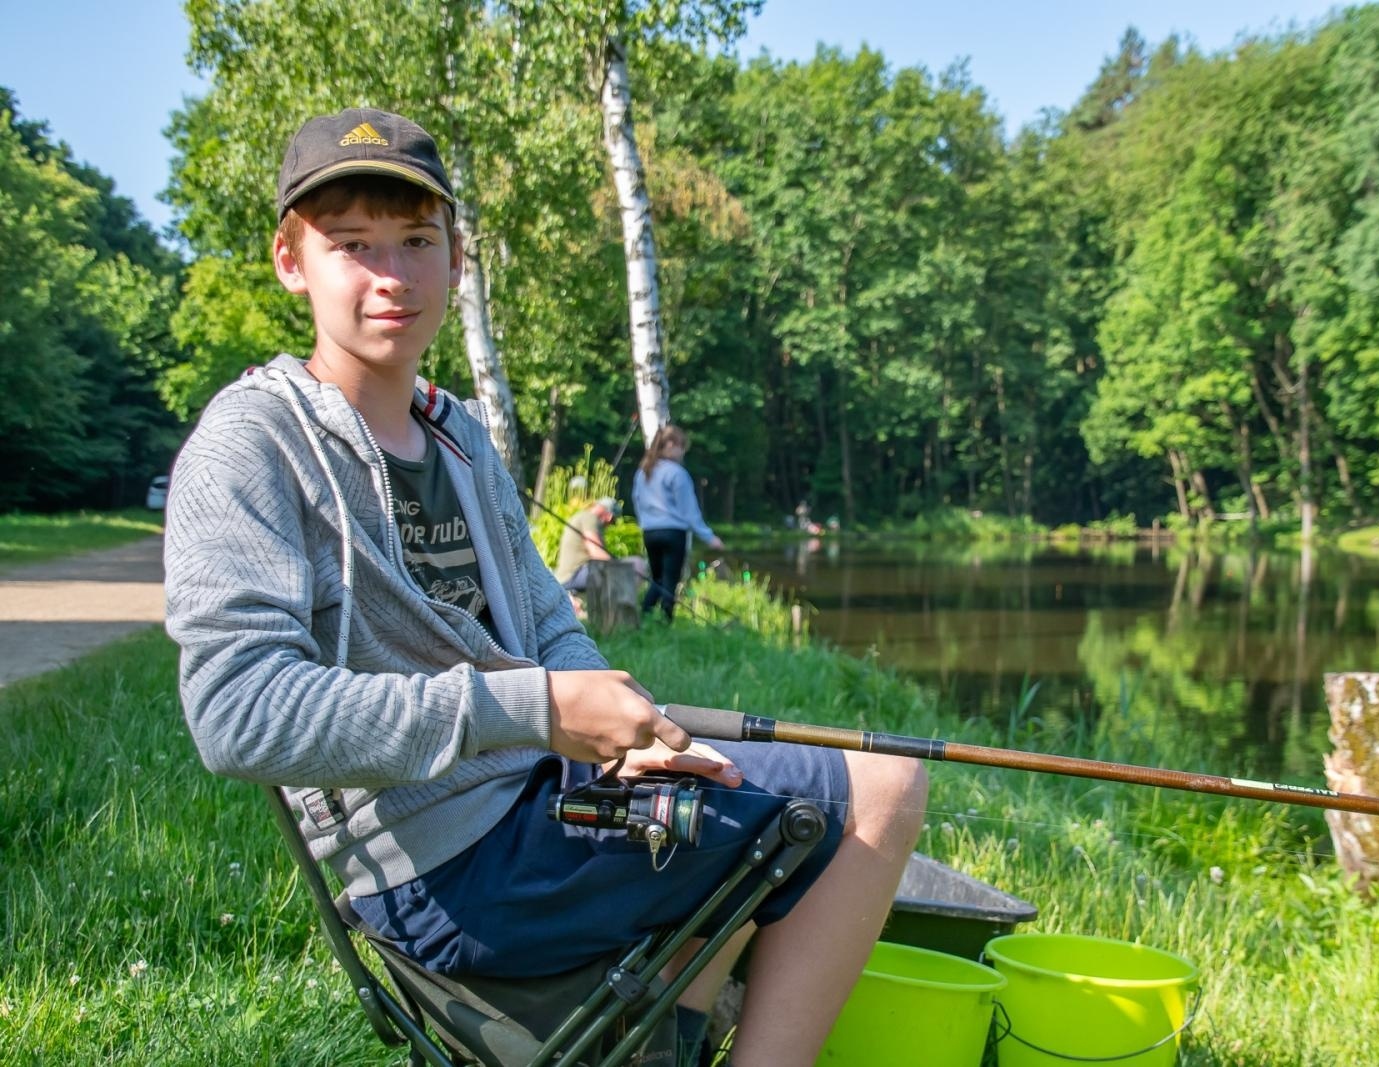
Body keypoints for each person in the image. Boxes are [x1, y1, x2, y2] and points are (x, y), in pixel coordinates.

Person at [162, 107, 925, 1067]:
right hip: (442, 868)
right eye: (352, 246)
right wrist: (533, 705)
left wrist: (626, 734)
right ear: (290, 259)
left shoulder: (459, 435)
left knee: (729, 777)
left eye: (417, 242)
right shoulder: (251, 443)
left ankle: (664, 1041)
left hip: (539, 799)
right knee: (885, 788)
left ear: (456, 257)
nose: (391, 274)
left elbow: (547, 624)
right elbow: (238, 714)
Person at [633, 425, 722, 621]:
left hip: (650, 532)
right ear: (671, 445)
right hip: (673, 533)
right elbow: (689, 511)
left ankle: (644, 615)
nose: (682, 453)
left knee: (656, 578)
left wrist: (645, 525)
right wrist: (709, 537)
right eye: (682, 447)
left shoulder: (643, 472)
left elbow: (637, 501)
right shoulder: (676, 473)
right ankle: (666, 621)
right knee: (670, 579)